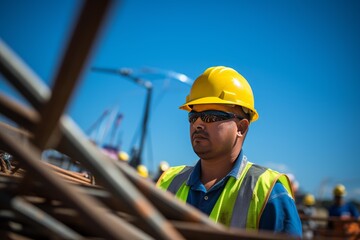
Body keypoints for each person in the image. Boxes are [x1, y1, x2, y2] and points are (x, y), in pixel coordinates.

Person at [156, 66, 302, 237]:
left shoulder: (268, 191)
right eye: (193, 117)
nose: (198, 124)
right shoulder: (169, 181)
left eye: (211, 116)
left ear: (241, 127)